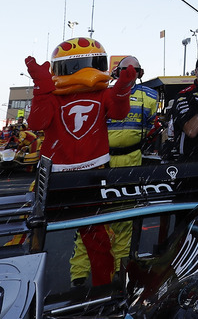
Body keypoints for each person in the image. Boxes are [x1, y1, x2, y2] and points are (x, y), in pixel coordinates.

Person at [25, 37, 136, 287]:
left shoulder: (104, 94)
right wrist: (42, 90)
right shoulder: (53, 97)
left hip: (92, 174)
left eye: (91, 64)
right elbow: (37, 122)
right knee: (31, 230)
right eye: (76, 67)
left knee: (95, 235)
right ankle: (22, 283)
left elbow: (119, 112)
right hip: (53, 176)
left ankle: (101, 290)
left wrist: (122, 89)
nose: (85, 73)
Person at [73, 56, 158, 280]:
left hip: (132, 160)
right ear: (115, 72)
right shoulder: (104, 94)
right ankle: (79, 275)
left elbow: (150, 126)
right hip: (102, 161)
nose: (129, 73)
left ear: (141, 72)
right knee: (91, 219)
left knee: (125, 219)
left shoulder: (151, 95)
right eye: (124, 69)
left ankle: (119, 274)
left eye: (135, 69)